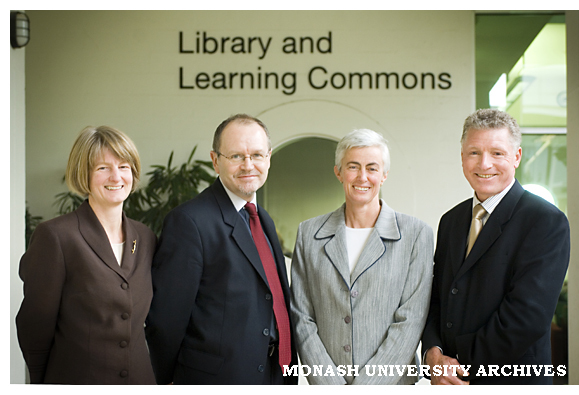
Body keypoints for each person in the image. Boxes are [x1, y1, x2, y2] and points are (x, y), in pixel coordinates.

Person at [145, 114, 297, 385]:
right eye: (236, 156)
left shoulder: (263, 220)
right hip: (218, 381)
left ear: (269, 158)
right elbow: (166, 321)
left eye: (257, 155)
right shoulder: (189, 222)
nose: (248, 165)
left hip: (273, 374)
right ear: (215, 160)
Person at [421, 109, 570, 385]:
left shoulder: (545, 221)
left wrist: (458, 365)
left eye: (497, 153)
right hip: (449, 382)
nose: (484, 163)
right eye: (474, 152)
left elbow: (527, 318)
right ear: (462, 157)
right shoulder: (451, 221)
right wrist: (433, 354)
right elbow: (438, 298)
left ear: (517, 157)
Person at [290, 129, 434, 385]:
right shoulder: (309, 233)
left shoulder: (416, 234)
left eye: (372, 168)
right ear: (338, 172)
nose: (362, 177)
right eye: (353, 167)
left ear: (385, 175)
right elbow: (302, 317)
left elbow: (411, 321)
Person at [16, 126, 156, 384]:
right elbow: (34, 325)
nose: (116, 176)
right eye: (103, 168)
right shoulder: (56, 236)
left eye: (124, 166)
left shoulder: (146, 237)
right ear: (85, 174)